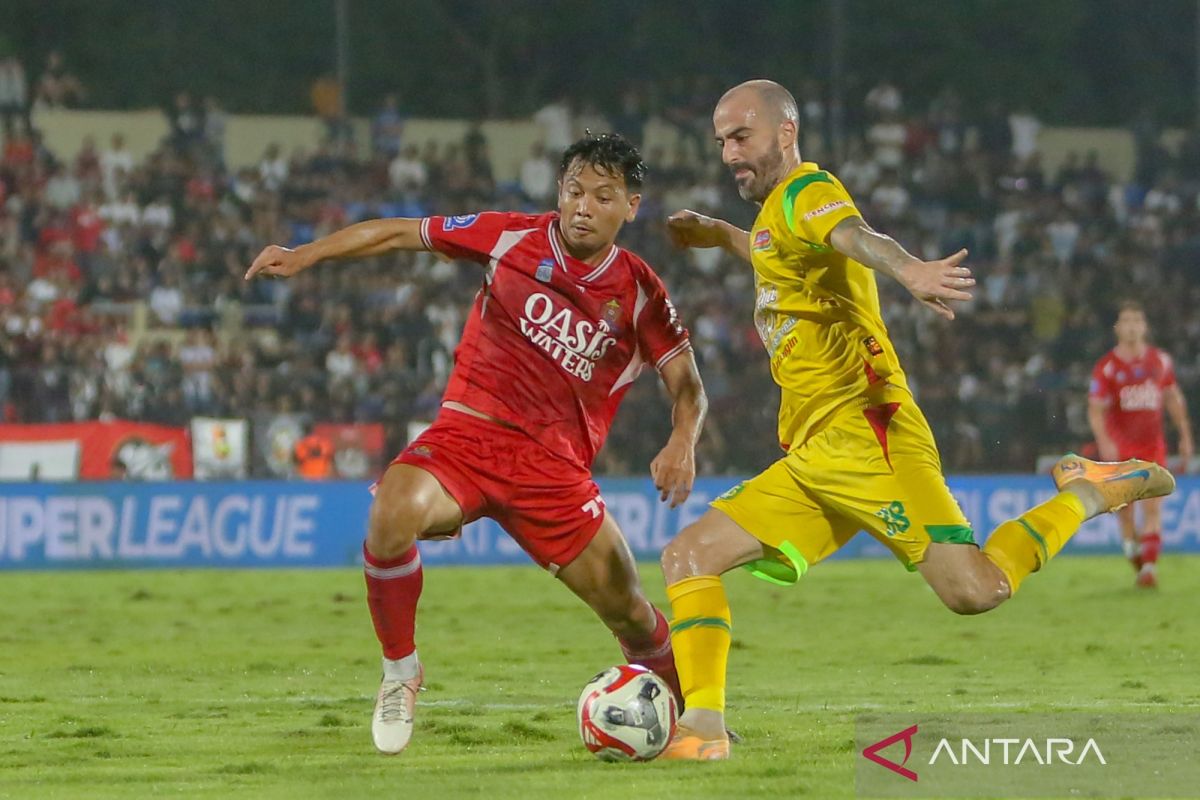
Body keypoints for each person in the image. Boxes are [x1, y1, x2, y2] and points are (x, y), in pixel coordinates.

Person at [657, 80, 1175, 760]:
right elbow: (780, 253)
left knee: (976, 591)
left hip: (872, 434)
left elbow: (855, 236)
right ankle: (704, 732)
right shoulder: (776, 219)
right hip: (815, 453)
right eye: (721, 140)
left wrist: (910, 271)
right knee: (688, 556)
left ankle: (1089, 491)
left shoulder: (807, 191)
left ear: (786, 132)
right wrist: (721, 235)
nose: (728, 153)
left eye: (741, 135)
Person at [246, 133, 706, 755]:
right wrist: (307, 254)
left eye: (603, 196)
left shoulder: (641, 293)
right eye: (574, 191)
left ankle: (695, 722)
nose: (583, 207)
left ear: (631, 206)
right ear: (558, 193)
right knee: (390, 513)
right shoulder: (510, 236)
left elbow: (688, 386)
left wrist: (683, 439)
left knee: (629, 611)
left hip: (553, 470)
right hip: (467, 437)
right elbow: (399, 233)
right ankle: (400, 672)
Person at [1088, 301, 1193, 588]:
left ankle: (1148, 568)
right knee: (1124, 515)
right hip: (1121, 450)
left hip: (1152, 446)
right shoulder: (1107, 367)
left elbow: (1173, 399)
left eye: (1137, 320)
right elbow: (1095, 409)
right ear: (1118, 328)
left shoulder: (1160, 361)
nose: (1132, 326)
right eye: (1127, 321)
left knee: (1153, 507)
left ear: (1144, 327)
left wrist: (1185, 434)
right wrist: (1104, 442)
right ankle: (1137, 559)